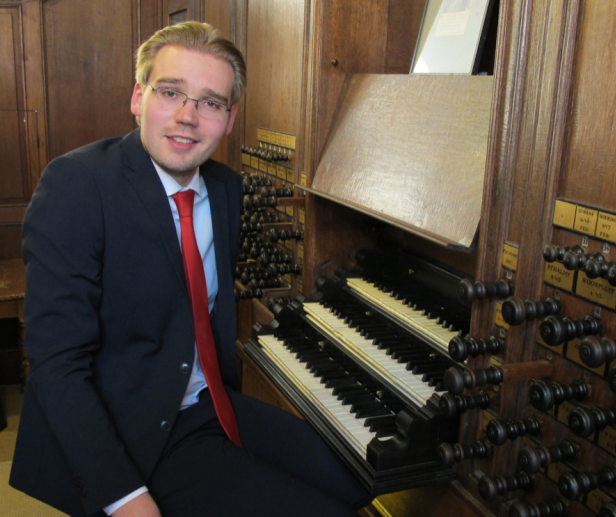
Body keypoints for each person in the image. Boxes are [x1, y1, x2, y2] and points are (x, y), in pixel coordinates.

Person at [10, 21, 370, 517]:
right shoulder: (78, 186)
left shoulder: (224, 188)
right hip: (129, 430)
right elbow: (56, 365)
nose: (187, 117)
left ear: (229, 117)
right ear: (138, 97)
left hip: (208, 403)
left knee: (361, 483)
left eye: (210, 102)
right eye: (171, 92)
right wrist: (125, 498)